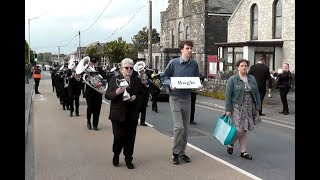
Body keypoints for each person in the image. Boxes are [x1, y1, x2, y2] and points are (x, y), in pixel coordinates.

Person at [161, 40, 202, 165]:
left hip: (187, 98)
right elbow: (164, 77)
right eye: (187, 48)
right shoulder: (173, 63)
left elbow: (196, 79)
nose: (190, 50)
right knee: (179, 127)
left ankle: (182, 153)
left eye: (191, 48)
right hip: (175, 98)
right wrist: (170, 83)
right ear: (182, 50)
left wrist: (198, 85)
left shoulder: (194, 64)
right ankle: (175, 153)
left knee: (186, 128)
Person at [105, 58, 145, 169]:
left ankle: (128, 158)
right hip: (117, 114)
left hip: (131, 114)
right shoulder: (114, 79)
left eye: (131, 68)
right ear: (122, 69)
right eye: (126, 68)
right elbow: (107, 95)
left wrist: (135, 97)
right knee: (118, 137)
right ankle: (116, 154)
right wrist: (116, 93)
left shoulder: (136, 80)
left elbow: (142, 95)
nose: (129, 70)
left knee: (130, 138)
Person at [225, 59, 262, 160]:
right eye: (242, 66)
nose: (244, 67)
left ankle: (243, 151)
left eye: (246, 66)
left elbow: (257, 93)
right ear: (238, 67)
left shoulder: (252, 78)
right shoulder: (233, 79)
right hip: (237, 106)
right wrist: (228, 109)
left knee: (245, 129)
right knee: (240, 129)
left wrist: (258, 107)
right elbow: (228, 95)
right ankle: (231, 143)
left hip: (250, 106)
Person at [84, 57, 107, 131]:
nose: (93, 63)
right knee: (90, 108)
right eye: (92, 62)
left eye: (95, 62)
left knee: (97, 109)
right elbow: (83, 79)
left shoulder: (100, 70)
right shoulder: (86, 70)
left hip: (98, 92)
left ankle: (95, 125)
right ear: (89, 62)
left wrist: (100, 84)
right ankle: (88, 120)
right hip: (89, 92)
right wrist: (88, 76)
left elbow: (105, 79)